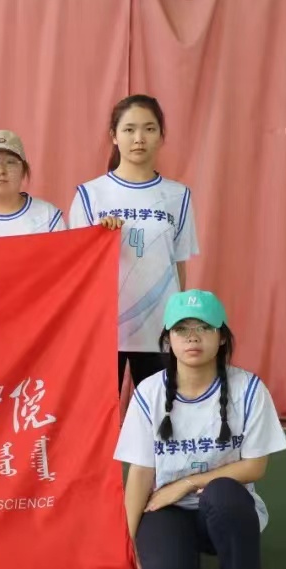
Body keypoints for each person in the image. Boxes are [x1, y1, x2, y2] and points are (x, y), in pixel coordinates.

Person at [114, 290, 286, 569]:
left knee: (223, 494)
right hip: (168, 508)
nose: (192, 338)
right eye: (182, 329)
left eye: (203, 328)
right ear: (168, 340)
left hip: (223, 506)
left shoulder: (249, 389)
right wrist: (126, 541)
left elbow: (255, 467)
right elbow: (141, 472)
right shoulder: (149, 392)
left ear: (221, 336)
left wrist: (187, 483)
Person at [68, 94, 199, 392]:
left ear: (161, 136)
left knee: (161, 411)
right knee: (99, 414)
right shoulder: (90, 195)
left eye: (149, 129)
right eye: (129, 129)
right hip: (102, 327)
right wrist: (98, 237)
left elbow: (178, 265)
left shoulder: (178, 196)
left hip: (159, 328)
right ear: (114, 136)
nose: (139, 138)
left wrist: (178, 320)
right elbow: (75, 267)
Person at [0, 130, 122, 239]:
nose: (0, 170)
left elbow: (66, 269)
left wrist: (103, 232)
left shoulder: (49, 217)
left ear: (24, 171)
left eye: (10, 162)